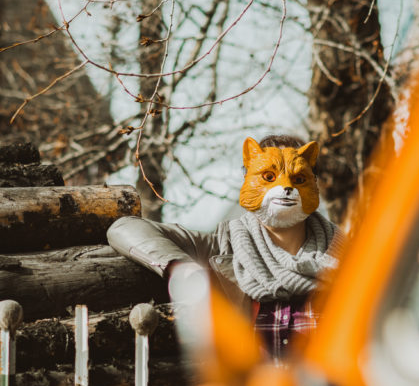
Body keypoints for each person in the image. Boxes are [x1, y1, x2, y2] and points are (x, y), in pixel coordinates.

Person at [107, 134, 343, 359]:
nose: (286, 186)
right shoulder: (222, 246)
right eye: (269, 176)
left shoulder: (346, 256)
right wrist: (182, 268)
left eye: (299, 178)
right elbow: (125, 228)